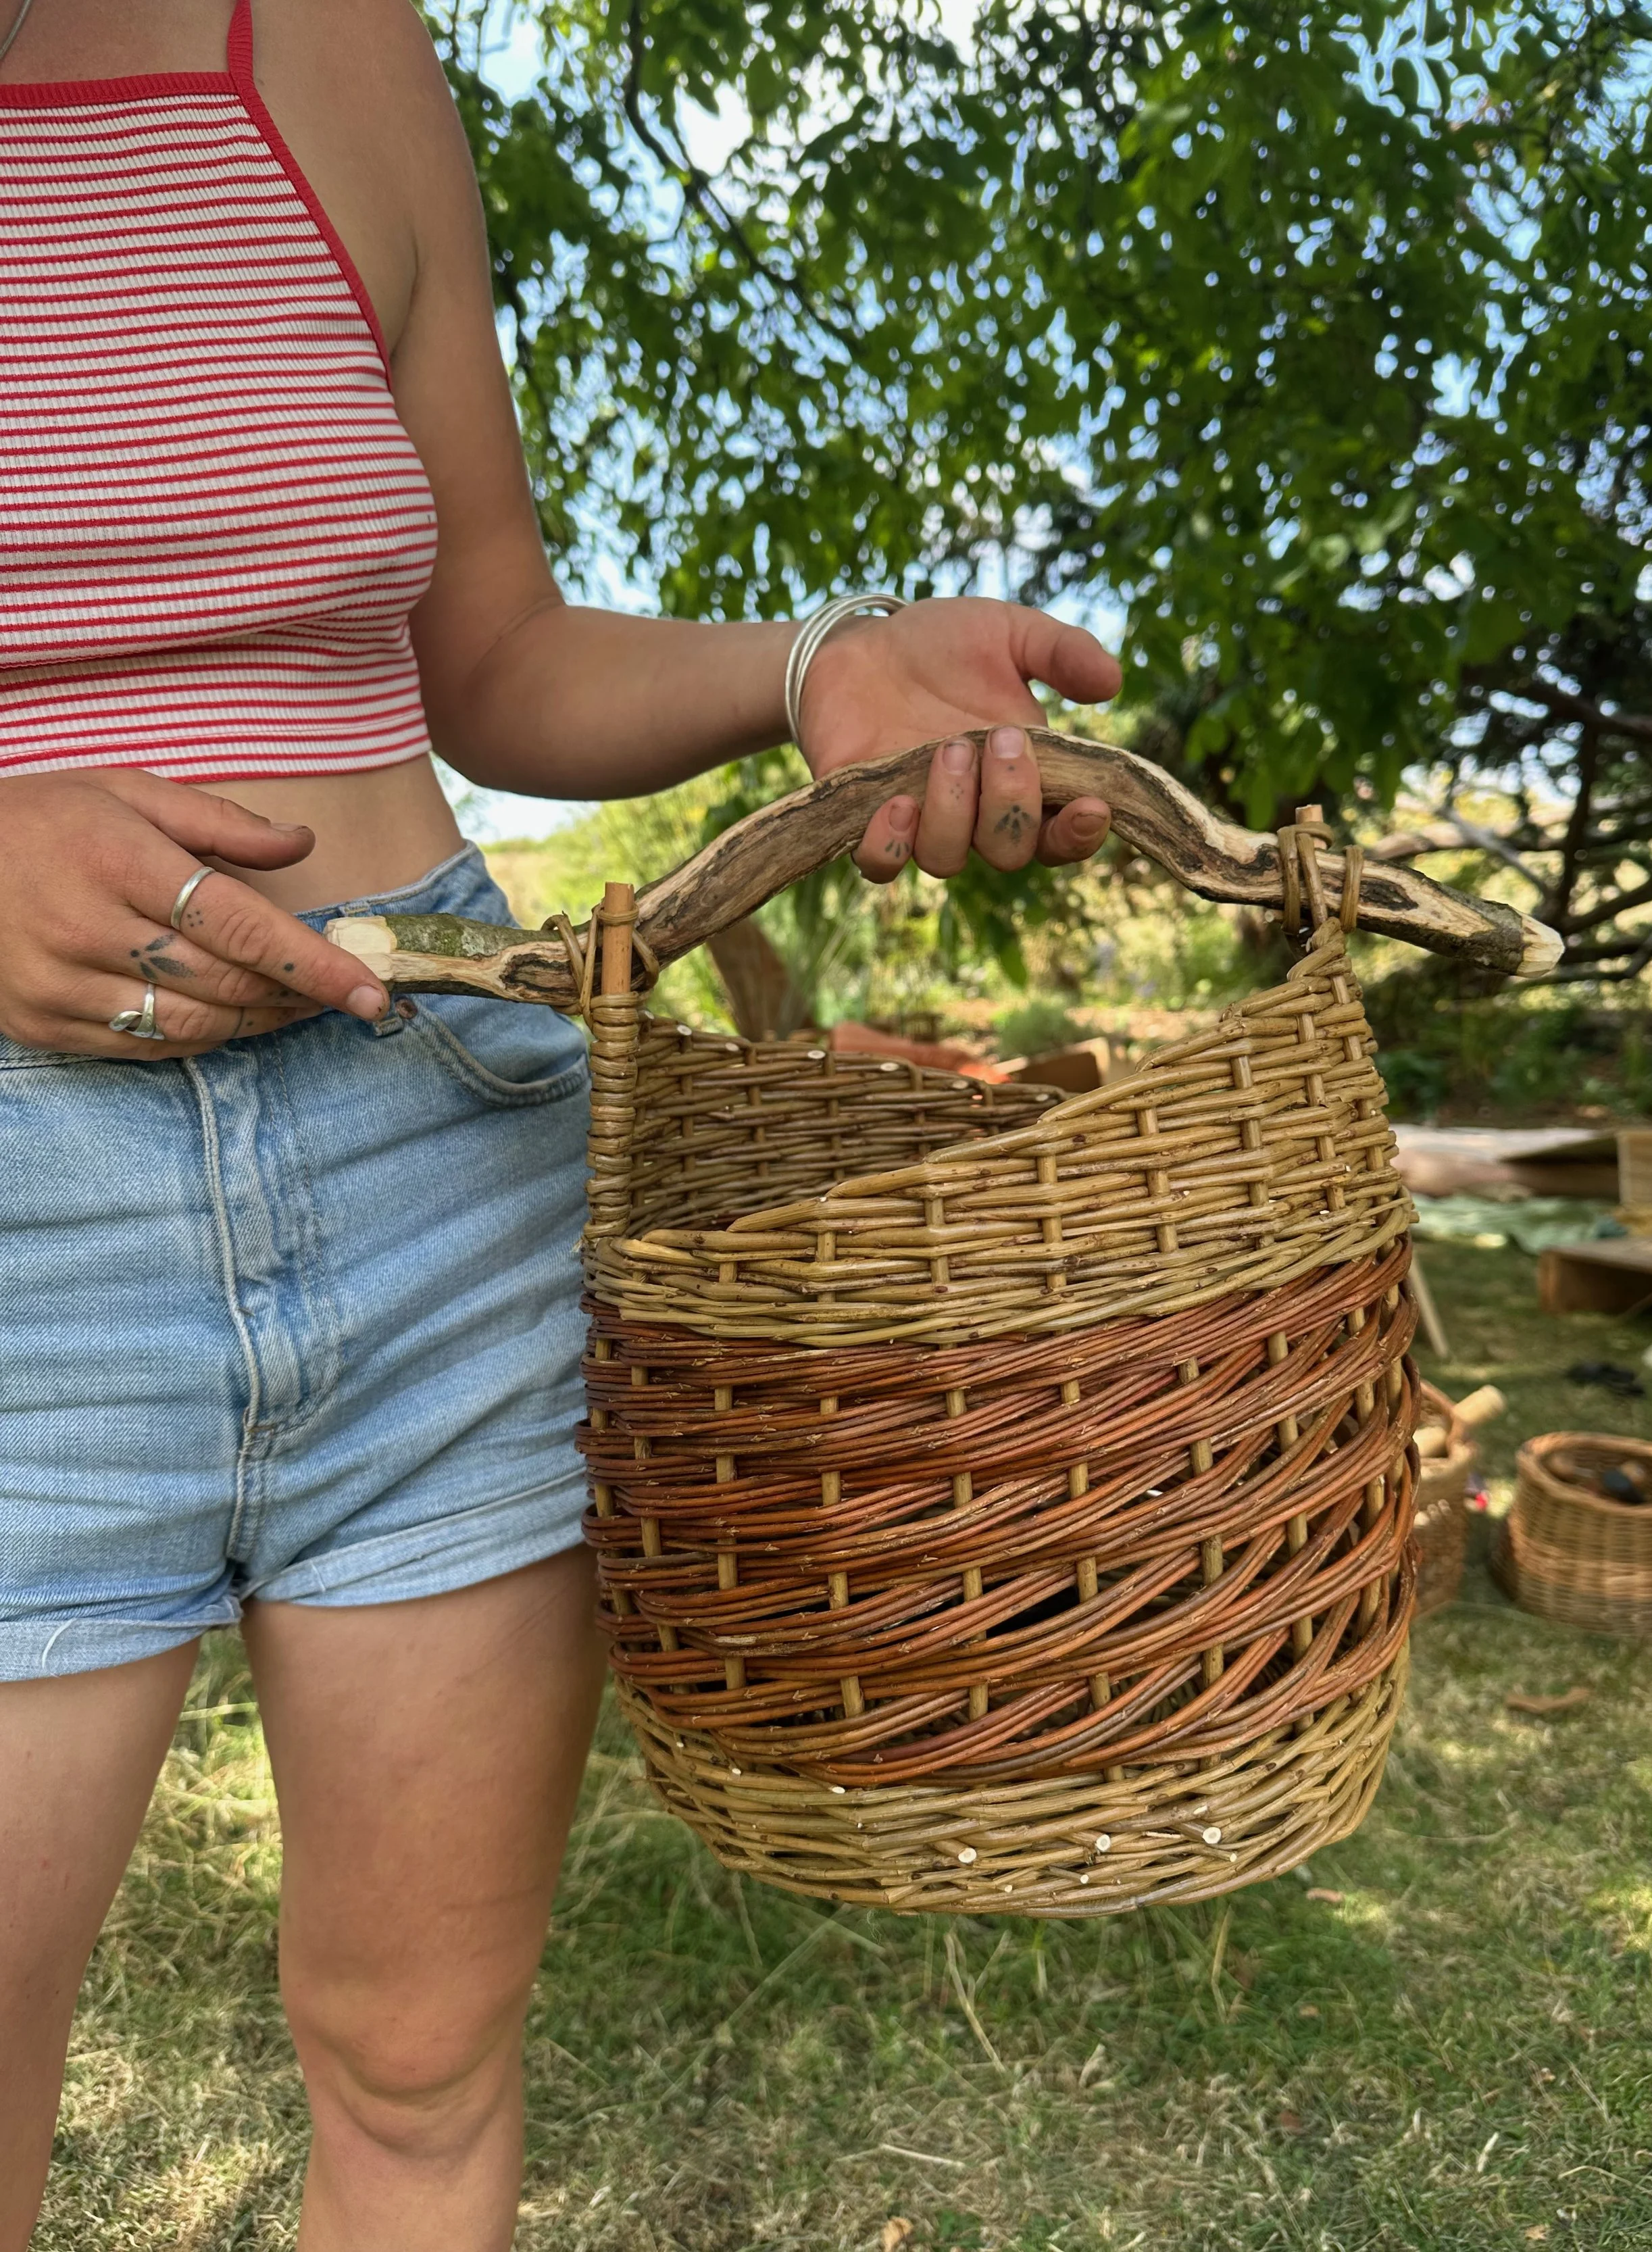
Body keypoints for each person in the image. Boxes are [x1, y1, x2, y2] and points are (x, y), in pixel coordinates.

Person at [0, 2, 1120, 2244]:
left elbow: (487, 644)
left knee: (420, 2068)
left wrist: (814, 671)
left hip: (438, 1154)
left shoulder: (323, 43)